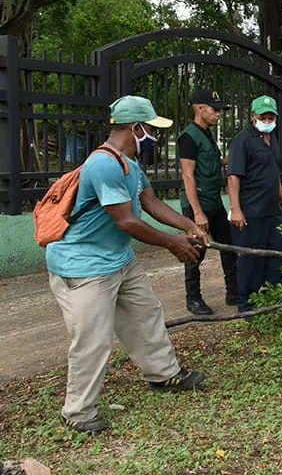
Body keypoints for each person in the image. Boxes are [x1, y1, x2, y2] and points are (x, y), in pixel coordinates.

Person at [45, 95, 208, 434]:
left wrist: (187, 225)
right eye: (150, 129)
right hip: (84, 266)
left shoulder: (130, 163)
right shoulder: (103, 165)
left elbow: (149, 201)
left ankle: (164, 375)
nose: (154, 135)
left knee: (146, 313)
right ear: (135, 128)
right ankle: (79, 413)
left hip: (119, 259)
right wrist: (173, 244)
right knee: (92, 339)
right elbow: (127, 222)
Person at [227, 95, 282, 312]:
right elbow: (234, 176)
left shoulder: (272, 138)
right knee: (250, 258)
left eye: (270, 116)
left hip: (272, 210)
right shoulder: (243, 140)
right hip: (250, 210)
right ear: (253, 116)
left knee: (279, 251)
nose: (267, 119)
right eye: (263, 116)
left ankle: (272, 298)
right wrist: (236, 209)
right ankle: (246, 304)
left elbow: (274, 172)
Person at [178, 89, 238, 315]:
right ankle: (193, 299)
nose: (218, 114)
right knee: (196, 252)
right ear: (199, 108)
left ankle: (234, 291)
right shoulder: (188, 137)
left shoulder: (207, 134)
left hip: (214, 202)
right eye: (214, 109)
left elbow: (211, 163)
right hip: (198, 206)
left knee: (229, 246)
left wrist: (229, 159)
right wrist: (197, 213)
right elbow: (188, 176)